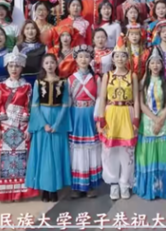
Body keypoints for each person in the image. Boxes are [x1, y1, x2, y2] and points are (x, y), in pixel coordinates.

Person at [0, 51, 38, 202]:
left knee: (21, 160)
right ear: (7, 67)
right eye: (11, 66)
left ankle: (19, 192)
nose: (14, 69)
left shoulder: (27, 86)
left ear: (22, 68)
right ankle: (5, 193)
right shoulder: (1, 86)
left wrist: (28, 128)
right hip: (5, 127)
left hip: (21, 127)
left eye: (17, 66)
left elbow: (31, 109)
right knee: (4, 160)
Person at [134, 47, 166, 200]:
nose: (155, 66)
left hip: (164, 121)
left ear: (162, 65)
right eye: (152, 63)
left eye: (158, 63)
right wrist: (154, 120)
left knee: (164, 155)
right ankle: (150, 188)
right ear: (148, 65)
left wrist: (160, 120)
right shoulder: (143, 82)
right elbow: (141, 104)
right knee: (149, 156)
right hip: (148, 122)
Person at [25, 53, 72, 202]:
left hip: (58, 120)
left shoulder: (63, 82)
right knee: (43, 156)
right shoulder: (38, 82)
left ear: (56, 64)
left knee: (57, 155)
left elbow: (65, 104)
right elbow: (35, 105)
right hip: (42, 119)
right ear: (43, 65)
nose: (50, 65)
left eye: (52, 62)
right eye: (47, 63)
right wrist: (44, 124)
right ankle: (45, 189)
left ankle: (55, 188)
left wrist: (57, 124)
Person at [96, 44, 139, 200]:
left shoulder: (132, 76)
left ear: (127, 59)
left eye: (123, 56)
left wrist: (136, 119)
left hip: (127, 112)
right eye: (117, 56)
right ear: (113, 59)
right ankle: (113, 183)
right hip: (111, 113)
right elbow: (102, 98)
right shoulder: (107, 76)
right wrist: (101, 118)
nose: (120, 59)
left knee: (127, 151)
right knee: (109, 151)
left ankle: (124, 182)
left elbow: (136, 99)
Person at [68, 45, 103, 198]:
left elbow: (100, 99)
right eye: (80, 57)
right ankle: (78, 185)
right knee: (76, 150)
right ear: (76, 59)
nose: (83, 59)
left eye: (86, 57)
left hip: (91, 114)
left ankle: (91, 185)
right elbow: (68, 100)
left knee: (92, 149)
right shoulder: (70, 79)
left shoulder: (96, 78)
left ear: (90, 59)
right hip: (76, 115)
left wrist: (98, 118)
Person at [15, 20, 47, 87]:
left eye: (33, 28)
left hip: (39, 79)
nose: (30, 31)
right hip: (22, 80)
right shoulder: (18, 47)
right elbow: (14, 65)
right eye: (27, 28)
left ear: (36, 31)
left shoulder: (44, 47)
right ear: (23, 31)